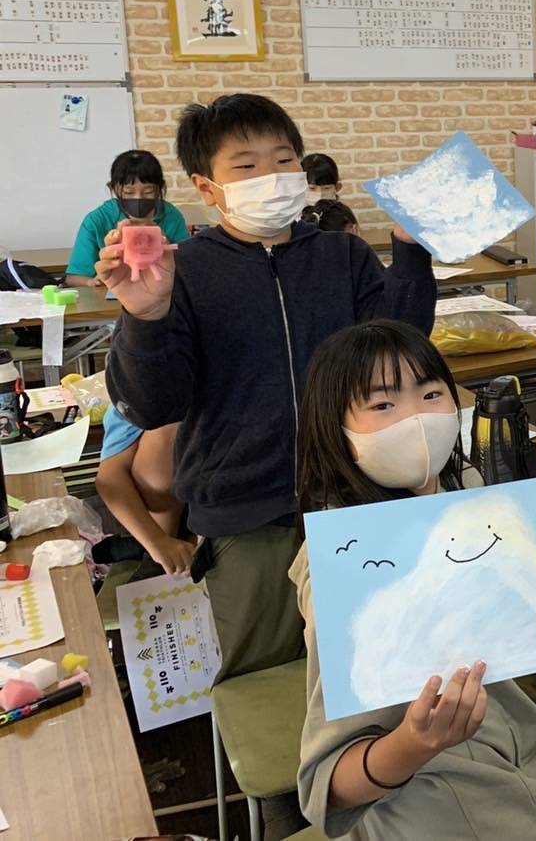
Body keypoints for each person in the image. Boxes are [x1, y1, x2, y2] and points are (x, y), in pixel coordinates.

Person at [97, 94, 437, 679]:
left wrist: (409, 253)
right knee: (265, 680)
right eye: (247, 166)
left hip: (351, 497)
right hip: (242, 515)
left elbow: (397, 353)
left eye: (284, 160)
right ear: (206, 188)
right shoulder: (183, 271)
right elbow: (153, 404)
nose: (273, 177)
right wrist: (146, 316)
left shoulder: (343, 255)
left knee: (372, 662)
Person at [293, 319, 536, 841]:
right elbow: (327, 786)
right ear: (336, 433)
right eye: (383, 404)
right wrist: (414, 743)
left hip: (515, 749)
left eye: (431, 394)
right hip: (456, 804)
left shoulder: (462, 492)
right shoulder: (344, 566)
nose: (417, 418)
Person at [65, 150, 191, 286]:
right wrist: (93, 281)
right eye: (128, 192)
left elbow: (190, 266)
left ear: (160, 188)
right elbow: (74, 278)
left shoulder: (171, 217)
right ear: (113, 188)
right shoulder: (97, 220)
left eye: (148, 191)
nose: (138, 198)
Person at [95, 408, 192, 577]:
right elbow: (109, 478)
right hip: (164, 505)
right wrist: (157, 541)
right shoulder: (140, 402)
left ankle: (156, 547)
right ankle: (159, 549)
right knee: (166, 430)